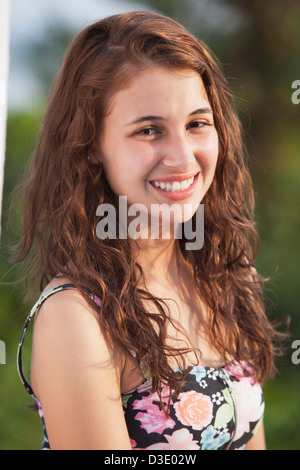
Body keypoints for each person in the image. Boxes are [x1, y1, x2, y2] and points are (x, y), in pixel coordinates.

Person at [14, 10, 281, 450]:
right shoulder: (77, 317)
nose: (181, 158)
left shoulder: (225, 275)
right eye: (149, 130)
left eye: (197, 123)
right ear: (91, 146)